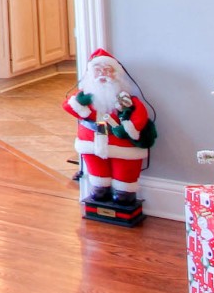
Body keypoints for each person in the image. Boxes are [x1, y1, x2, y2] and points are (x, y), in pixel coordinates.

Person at [64, 49, 156, 212]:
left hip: (122, 146)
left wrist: (129, 128)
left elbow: (139, 115)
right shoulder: (85, 97)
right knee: (98, 178)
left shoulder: (125, 100)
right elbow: (69, 106)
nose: (103, 74)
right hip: (91, 143)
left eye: (107, 70)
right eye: (98, 70)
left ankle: (124, 193)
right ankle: (100, 189)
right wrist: (79, 102)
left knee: (125, 178)